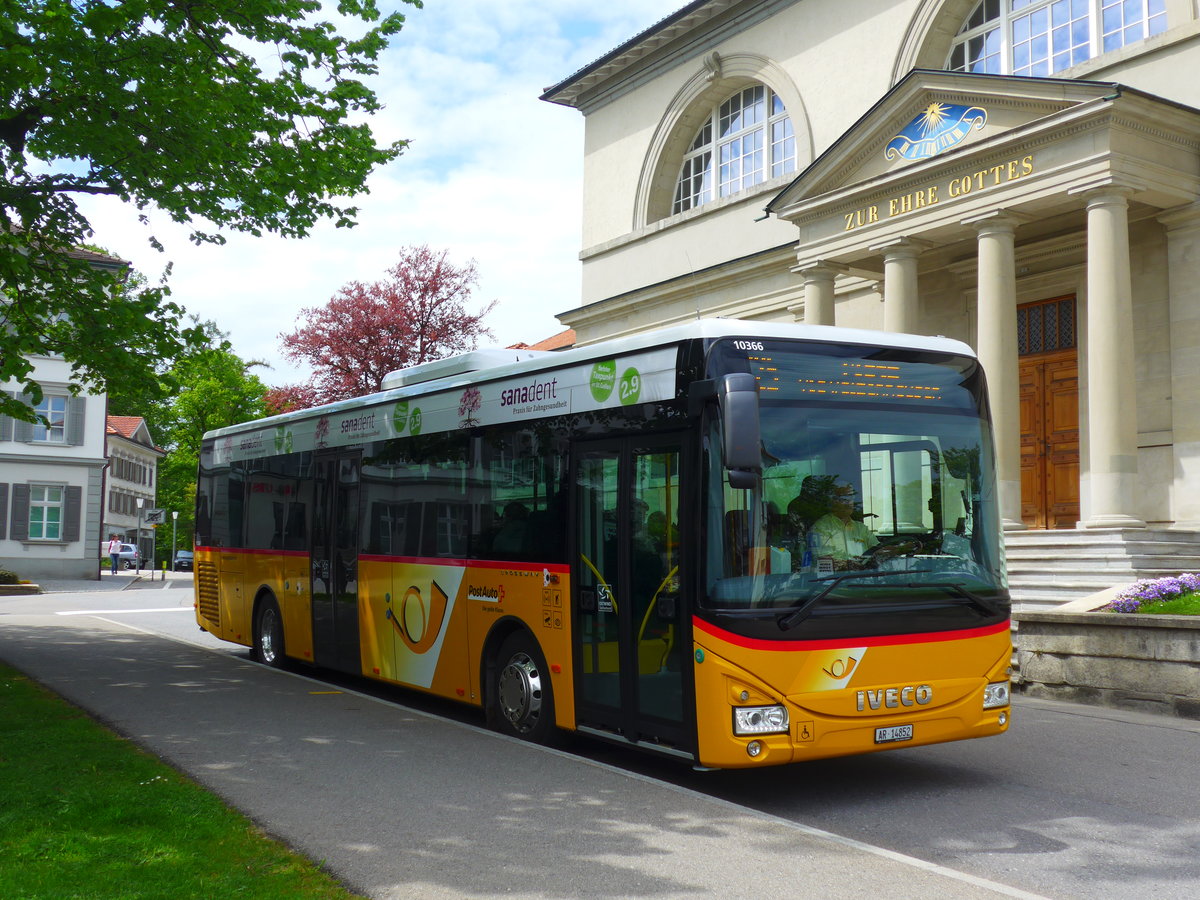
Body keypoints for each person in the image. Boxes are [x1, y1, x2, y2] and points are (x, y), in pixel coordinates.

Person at [810, 480, 878, 562]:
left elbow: (878, 550)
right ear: (833, 500)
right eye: (844, 498)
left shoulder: (861, 528)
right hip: (839, 575)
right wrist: (853, 566)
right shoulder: (821, 527)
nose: (849, 502)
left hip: (864, 574)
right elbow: (825, 562)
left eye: (851, 497)